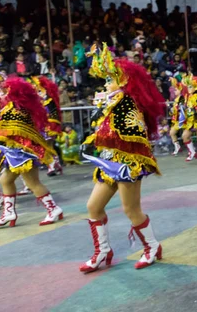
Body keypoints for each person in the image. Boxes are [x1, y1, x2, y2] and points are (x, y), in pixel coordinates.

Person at [79, 43, 166, 273]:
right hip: (108, 163)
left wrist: (100, 132)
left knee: (131, 210)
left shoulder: (128, 106)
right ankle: (103, 252)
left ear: (124, 82)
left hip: (127, 165)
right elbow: (102, 134)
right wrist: (91, 140)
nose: (106, 85)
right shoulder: (112, 104)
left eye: (110, 80)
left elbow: (135, 137)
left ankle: (152, 247)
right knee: (93, 206)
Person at [0, 75, 64, 227]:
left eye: (7, 89)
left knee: (33, 182)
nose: (3, 91)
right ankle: (9, 212)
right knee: (5, 180)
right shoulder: (11, 107)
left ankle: (53, 209)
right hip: (13, 152)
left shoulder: (19, 109)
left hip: (22, 152)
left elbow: (12, 130)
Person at [169, 77, 186, 156]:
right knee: (172, 133)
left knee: (186, 135)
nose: (174, 91)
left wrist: (175, 109)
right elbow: (174, 110)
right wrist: (171, 109)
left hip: (182, 120)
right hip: (176, 120)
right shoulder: (176, 99)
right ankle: (177, 147)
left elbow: (181, 109)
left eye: (176, 90)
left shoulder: (182, 99)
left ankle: (191, 149)